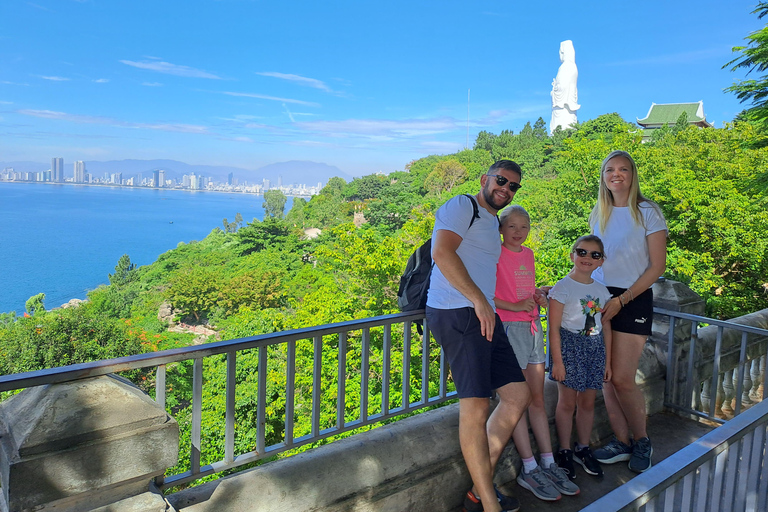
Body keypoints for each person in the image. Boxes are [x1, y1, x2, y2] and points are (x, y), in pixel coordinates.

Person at [426, 160, 531, 512]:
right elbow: (441, 252)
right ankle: (488, 504)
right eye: (501, 181)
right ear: (485, 179)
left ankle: (477, 490)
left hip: (483, 313)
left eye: (513, 186)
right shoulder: (462, 205)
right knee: (476, 407)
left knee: (518, 396)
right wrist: (477, 301)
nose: (506, 188)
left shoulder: (491, 221)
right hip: (458, 311)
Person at [494, 205, 579, 501]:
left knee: (537, 399)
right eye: (512, 226)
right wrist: (515, 307)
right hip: (509, 330)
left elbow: (523, 290)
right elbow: (486, 295)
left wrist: (537, 296)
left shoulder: (528, 254)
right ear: (501, 228)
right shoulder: (494, 254)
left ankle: (548, 463)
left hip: (532, 328)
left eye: (524, 227)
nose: (519, 232)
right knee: (516, 401)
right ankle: (529, 468)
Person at [589, 150, 667, 473]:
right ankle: (622, 442)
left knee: (622, 378)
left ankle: (642, 441)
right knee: (606, 378)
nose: (616, 174)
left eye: (622, 169)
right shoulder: (599, 212)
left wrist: (623, 300)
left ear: (633, 175)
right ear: (603, 177)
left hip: (633, 298)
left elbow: (657, 266)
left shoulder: (648, 212)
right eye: (610, 169)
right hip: (600, 298)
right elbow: (590, 259)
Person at [548, 235, 613, 481]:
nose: (587, 258)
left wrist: (606, 362)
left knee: (587, 402)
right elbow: (553, 328)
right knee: (567, 403)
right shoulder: (562, 288)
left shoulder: (601, 291)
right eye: (582, 252)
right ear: (573, 255)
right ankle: (564, 450)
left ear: (601, 261)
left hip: (594, 348)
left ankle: (582, 448)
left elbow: (605, 327)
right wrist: (558, 363)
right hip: (570, 347)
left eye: (595, 255)